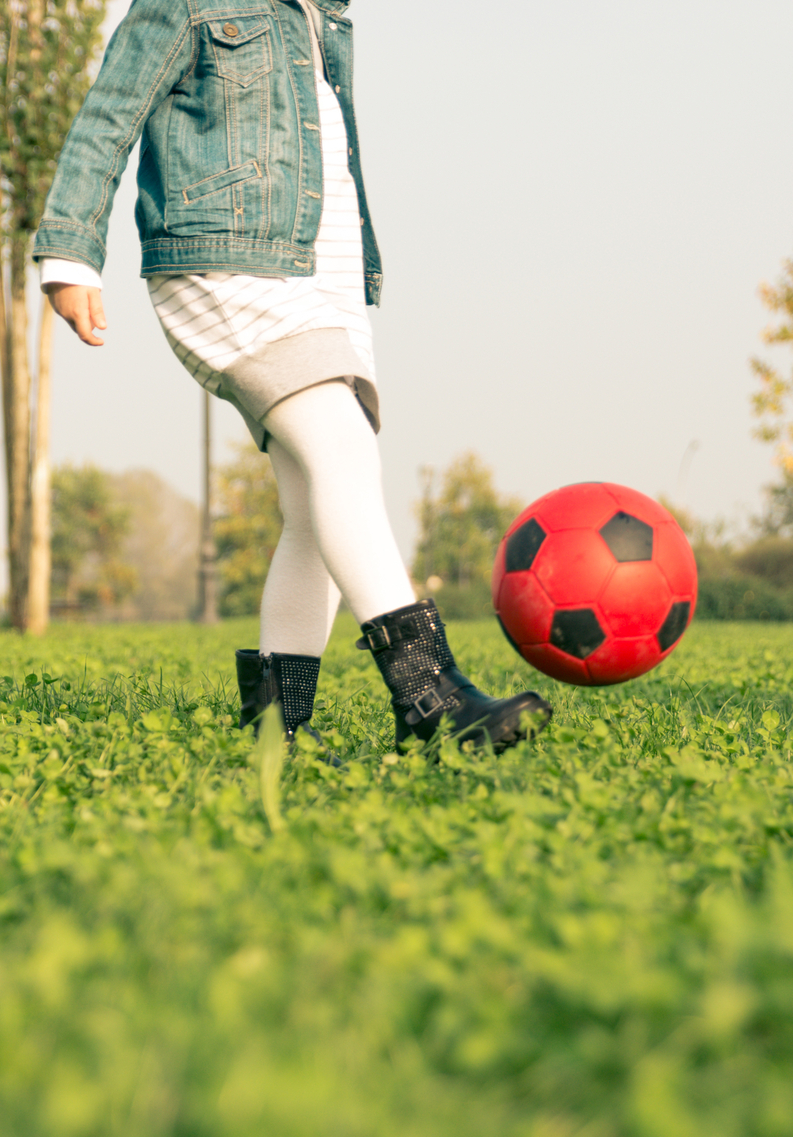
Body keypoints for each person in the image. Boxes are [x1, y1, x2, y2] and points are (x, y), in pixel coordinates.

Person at [32, 0, 550, 754]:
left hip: (324, 284)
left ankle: (277, 729)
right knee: (338, 449)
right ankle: (431, 695)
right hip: (223, 259)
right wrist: (70, 251)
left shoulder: (324, 17)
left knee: (318, 497)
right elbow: (108, 112)